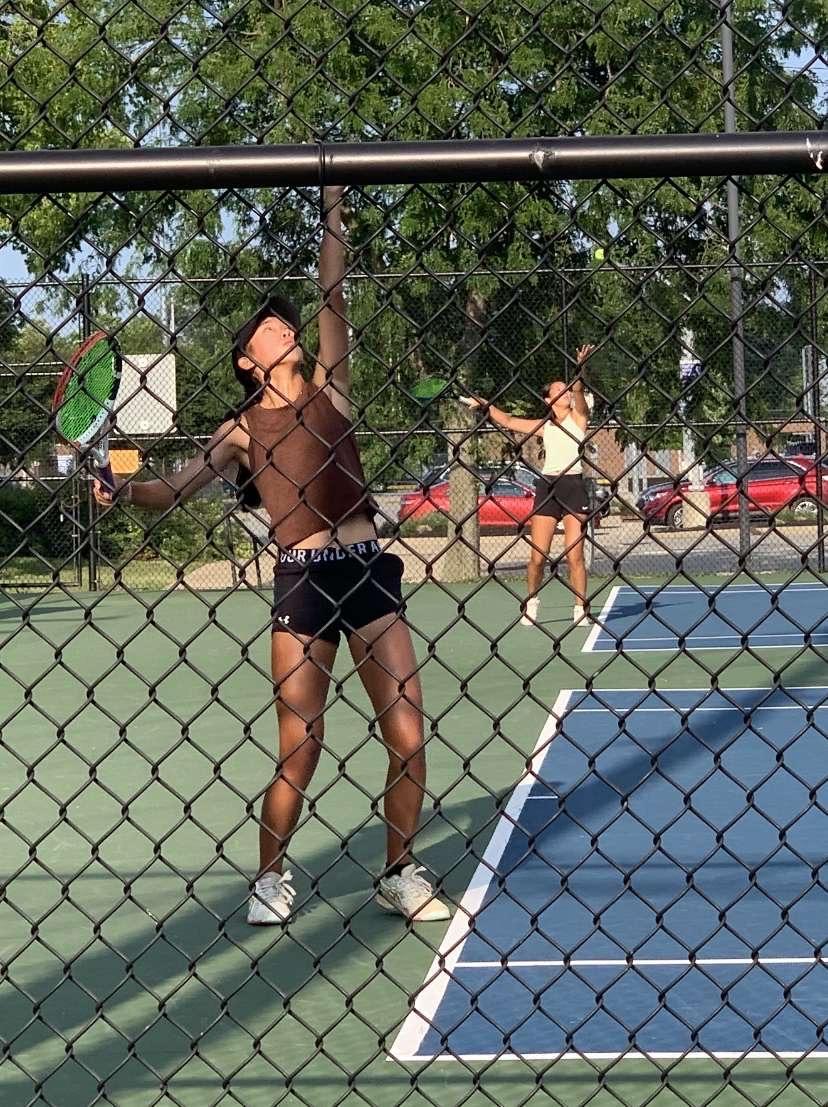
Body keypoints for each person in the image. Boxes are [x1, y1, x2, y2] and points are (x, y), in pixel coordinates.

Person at [94, 186, 449, 927]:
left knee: (410, 736)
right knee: (302, 744)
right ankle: (269, 876)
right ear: (246, 361)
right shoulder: (240, 430)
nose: (281, 326)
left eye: (285, 321)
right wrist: (123, 489)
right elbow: (172, 490)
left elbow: (332, 295)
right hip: (303, 584)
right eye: (266, 327)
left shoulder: (333, 389)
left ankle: (399, 871)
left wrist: (332, 215)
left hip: (369, 573)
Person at [466, 344, 596, 626]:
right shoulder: (544, 425)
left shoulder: (579, 418)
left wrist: (580, 367)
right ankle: (532, 602)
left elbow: (579, 391)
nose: (566, 392)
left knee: (575, 555)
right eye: (559, 390)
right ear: (549, 400)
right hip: (548, 488)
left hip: (573, 487)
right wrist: (485, 404)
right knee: (538, 557)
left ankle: (580, 608)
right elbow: (509, 420)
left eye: (566, 389)